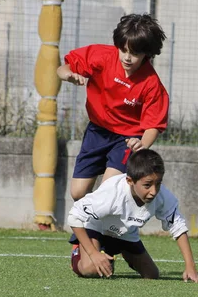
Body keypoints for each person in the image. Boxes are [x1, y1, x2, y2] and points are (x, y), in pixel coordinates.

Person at [57, 13, 169, 201]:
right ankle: (92, 224)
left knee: (107, 192)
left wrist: (142, 145)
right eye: (123, 50)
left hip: (125, 140)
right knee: (77, 193)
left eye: (134, 53)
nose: (127, 57)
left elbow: (153, 125)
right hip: (97, 132)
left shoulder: (151, 84)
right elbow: (62, 69)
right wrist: (69, 75)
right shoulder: (102, 56)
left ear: (147, 53)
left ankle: (93, 230)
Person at [67, 149, 198, 284]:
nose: (154, 191)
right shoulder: (112, 192)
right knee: (90, 269)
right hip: (97, 229)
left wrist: (191, 268)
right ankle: (77, 252)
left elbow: (178, 227)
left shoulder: (162, 196)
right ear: (130, 181)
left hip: (126, 235)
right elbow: (74, 216)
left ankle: (113, 255)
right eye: (147, 185)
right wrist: (92, 253)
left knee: (152, 275)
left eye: (158, 184)